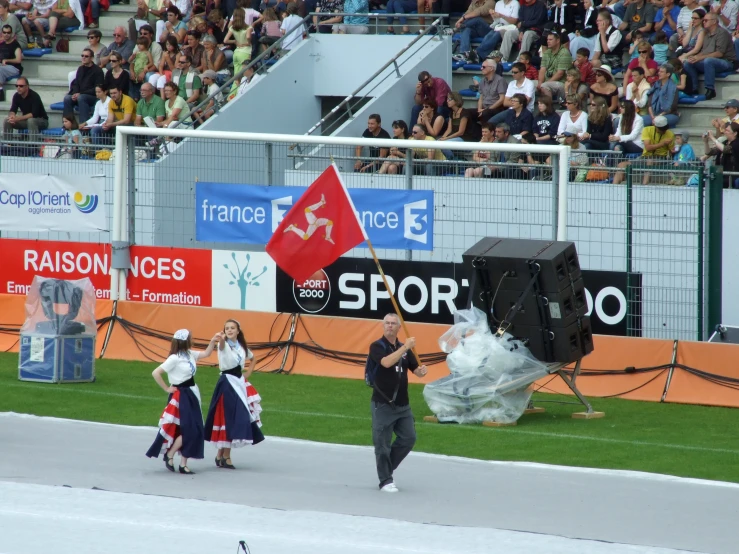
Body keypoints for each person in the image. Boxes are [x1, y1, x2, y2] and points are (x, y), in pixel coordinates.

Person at [146, 328, 220, 474]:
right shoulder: (175, 358)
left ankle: (183, 463)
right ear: (185, 341)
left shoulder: (189, 354)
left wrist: (212, 341)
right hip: (181, 395)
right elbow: (156, 373)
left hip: (192, 393)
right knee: (189, 428)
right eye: (191, 338)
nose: (192, 340)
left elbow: (206, 354)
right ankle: (171, 454)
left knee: (195, 427)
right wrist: (167, 388)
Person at [369, 313, 427, 493]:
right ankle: (385, 480)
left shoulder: (405, 348)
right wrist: (405, 348)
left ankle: (386, 468)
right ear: (383, 325)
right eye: (387, 323)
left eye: (393, 323)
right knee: (382, 444)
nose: (390, 326)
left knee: (409, 438)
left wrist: (421, 371)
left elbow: (416, 371)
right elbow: (386, 363)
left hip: (402, 405)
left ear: (398, 328)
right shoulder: (377, 346)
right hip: (383, 404)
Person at [204, 319, 265, 470]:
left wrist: (248, 373)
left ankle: (220, 455)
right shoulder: (222, 345)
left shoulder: (242, 346)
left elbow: (253, 357)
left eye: (232, 328)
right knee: (229, 418)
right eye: (227, 328)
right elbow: (223, 345)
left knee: (232, 417)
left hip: (239, 382)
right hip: (227, 383)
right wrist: (222, 339)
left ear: (238, 330)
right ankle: (226, 456)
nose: (230, 330)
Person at [683, 12, 736, 99]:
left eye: (706, 20)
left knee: (709, 60)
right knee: (688, 63)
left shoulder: (722, 33)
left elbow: (719, 53)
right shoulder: (706, 33)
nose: (703, 22)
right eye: (703, 20)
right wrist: (695, 57)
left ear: (714, 21)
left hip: (727, 62)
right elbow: (704, 51)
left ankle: (710, 89)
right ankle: (694, 88)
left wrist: (699, 58)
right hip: (711, 61)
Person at [3, 76, 48, 141]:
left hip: (41, 120)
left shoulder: (34, 96)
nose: (18, 88)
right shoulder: (16, 96)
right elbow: (13, 109)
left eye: (21, 86)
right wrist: (12, 116)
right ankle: (7, 145)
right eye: (17, 86)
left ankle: (33, 146)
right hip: (26, 121)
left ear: (27, 86)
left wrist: (18, 118)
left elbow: (34, 114)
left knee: (31, 121)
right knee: (7, 121)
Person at [643, 63, 679, 128]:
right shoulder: (655, 85)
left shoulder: (673, 88)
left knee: (659, 121)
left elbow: (672, 107)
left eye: (662, 72)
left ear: (668, 74)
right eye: (659, 71)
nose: (659, 73)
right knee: (640, 120)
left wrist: (659, 116)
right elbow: (649, 104)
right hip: (653, 114)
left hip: (668, 114)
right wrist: (653, 117)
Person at [0, 23, 22, 101]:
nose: (6, 34)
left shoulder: (15, 45)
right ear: (2, 33)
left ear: (11, 33)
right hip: (4, 66)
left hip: (14, 68)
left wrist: (6, 60)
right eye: (4, 32)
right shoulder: (1, 45)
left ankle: (0, 92)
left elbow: (18, 60)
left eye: (8, 33)